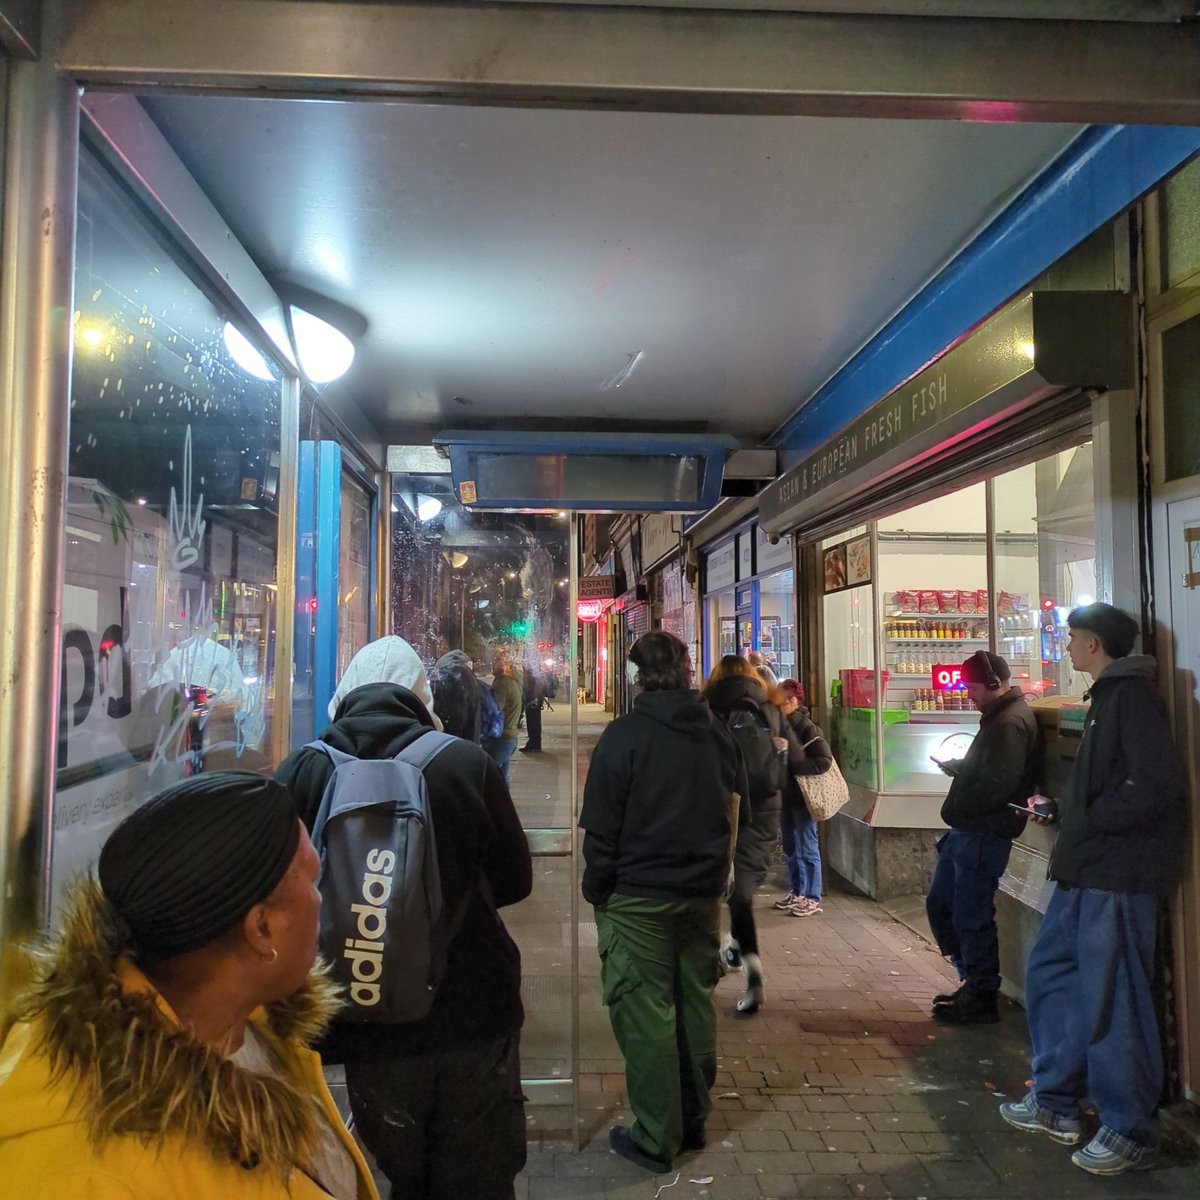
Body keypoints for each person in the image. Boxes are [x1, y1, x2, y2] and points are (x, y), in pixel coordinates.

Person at [0, 772, 378, 1200]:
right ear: (261, 928)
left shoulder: (250, 1020)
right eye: (312, 879)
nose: (320, 897)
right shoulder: (87, 1180)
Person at [275, 635, 532, 1200]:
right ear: (420, 696)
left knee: (402, 1172)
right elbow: (516, 880)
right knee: (479, 1174)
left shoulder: (304, 770)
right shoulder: (464, 763)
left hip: (365, 1016)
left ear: (347, 691)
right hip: (470, 1010)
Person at [998, 603, 1186, 1176]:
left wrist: (1092, 818)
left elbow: (1152, 786)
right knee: (1053, 973)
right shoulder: (1108, 698)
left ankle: (1128, 1128)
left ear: (1095, 644)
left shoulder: (1130, 698)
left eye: (1074, 637)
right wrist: (1065, 810)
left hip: (1116, 872)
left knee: (1113, 996)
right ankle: (1055, 1099)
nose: (1067, 647)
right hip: (1085, 867)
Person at [580, 631, 746, 1175]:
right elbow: (735, 809)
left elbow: (601, 830)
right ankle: (693, 1119)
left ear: (636, 677)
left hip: (639, 898)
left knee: (646, 1012)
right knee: (694, 1003)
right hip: (701, 894)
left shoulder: (624, 736)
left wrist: (598, 889)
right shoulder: (717, 733)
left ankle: (656, 1136)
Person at [925, 651, 1040, 1026]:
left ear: (993, 683)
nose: (969, 694)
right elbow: (992, 773)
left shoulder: (1009, 723)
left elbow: (998, 784)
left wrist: (962, 803)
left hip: (982, 833)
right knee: (945, 904)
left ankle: (981, 993)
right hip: (970, 831)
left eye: (973, 687)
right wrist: (963, 769)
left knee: (970, 914)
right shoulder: (999, 718)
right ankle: (972, 983)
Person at [704, 654, 806, 1016]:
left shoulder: (707, 708)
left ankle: (712, 968)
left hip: (719, 809)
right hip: (764, 815)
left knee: (709, 891)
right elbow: (799, 762)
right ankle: (752, 976)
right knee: (741, 894)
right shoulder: (770, 709)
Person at [773, 678, 833, 918]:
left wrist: (793, 761)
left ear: (793, 701)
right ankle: (797, 891)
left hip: (802, 797)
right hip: (786, 794)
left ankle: (812, 896)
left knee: (807, 844)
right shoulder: (780, 726)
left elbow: (823, 761)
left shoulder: (807, 728)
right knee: (791, 845)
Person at [484, 650, 523, 783]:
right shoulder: (511, 680)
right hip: (508, 735)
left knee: (486, 773)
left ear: (506, 663)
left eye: (498, 660)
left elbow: (494, 709)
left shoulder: (503, 683)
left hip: (502, 737)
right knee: (502, 778)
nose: (493, 663)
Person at [430, 647, 483, 741]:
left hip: (449, 739)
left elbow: (451, 717)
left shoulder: (447, 679)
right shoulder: (472, 681)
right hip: (469, 740)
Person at [520, 652, 546, 753]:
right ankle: (534, 743)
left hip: (532, 702)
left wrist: (534, 699)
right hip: (532, 701)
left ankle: (534, 744)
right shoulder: (533, 675)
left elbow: (535, 688)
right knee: (533, 724)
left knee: (533, 724)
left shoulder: (531, 676)